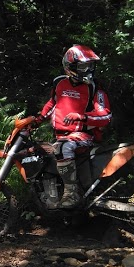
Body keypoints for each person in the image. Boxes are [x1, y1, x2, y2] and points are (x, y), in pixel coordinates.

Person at [36, 44, 112, 208]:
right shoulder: (60, 84)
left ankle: (72, 194)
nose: (88, 70)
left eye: (90, 66)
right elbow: (53, 103)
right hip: (61, 135)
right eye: (83, 66)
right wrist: (38, 119)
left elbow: (105, 116)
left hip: (84, 136)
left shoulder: (94, 89)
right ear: (70, 67)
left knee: (63, 147)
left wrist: (82, 117)